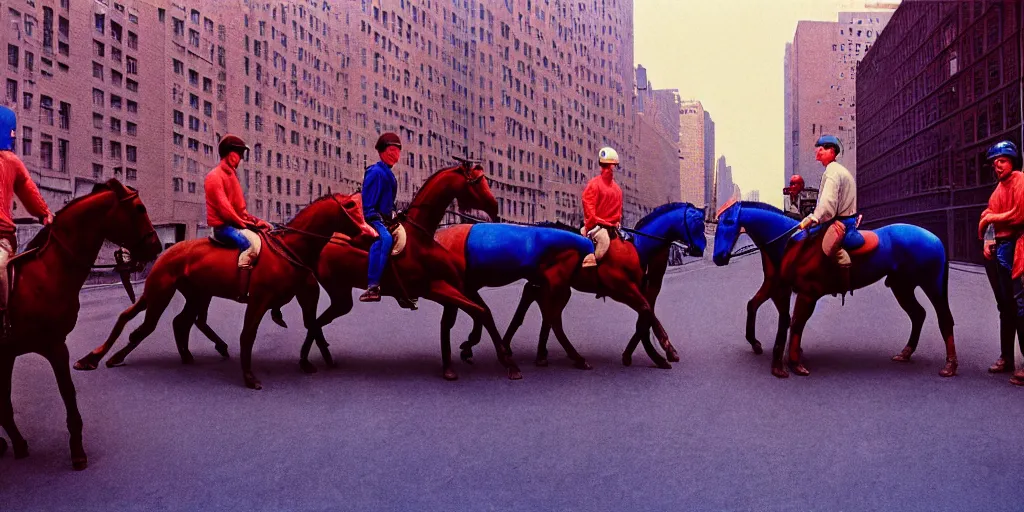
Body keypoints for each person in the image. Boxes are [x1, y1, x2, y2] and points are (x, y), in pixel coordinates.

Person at [0, 106, 53, 339]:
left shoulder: (11, 162)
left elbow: (28, 190)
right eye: (11, 131)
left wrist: (44, 214)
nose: (13, 135)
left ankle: (3, 319)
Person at [977, 140, 1024, 385]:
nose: (998, 167)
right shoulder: (998, 189)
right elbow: (987, 222)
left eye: (1002, 161)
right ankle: (1006, 357)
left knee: (1020, 305)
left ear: (1012, 161)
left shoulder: (1019, 181)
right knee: (1004, 306)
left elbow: (1019, 214)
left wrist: (991, 218)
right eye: (995, 164)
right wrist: (988, 238)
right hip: (1000, 248)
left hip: (1018, 246)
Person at [205, 134, 271, 303]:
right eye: (239, 153)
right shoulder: (214, 177)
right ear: (229, 153)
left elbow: (240, 209)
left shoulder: (231, 176)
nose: (241, 158)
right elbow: (225, 209)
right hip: (223, 227)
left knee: (267, 234)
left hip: (235, 223)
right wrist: (246, 224)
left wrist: (256, 221)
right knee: (248, 245)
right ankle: (242, 293)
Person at [797, 134, 858, 294]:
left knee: (827, 246)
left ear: (832, 151)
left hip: (842, 223)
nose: (817, 154)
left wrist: (813, 218)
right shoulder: (835, 170)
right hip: (840, 219)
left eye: (821, 150)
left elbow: (827, 203)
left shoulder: (833, 172)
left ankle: (841, 278)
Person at [359, 133, 401, 302]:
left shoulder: (388, 173)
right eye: (391, 150)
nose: (395, 154)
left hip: (386, 218)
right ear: (382, 151)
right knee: (384, 239)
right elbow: (367, 204)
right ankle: (373, 285)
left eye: (398, 151)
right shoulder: (375, 172)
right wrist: (379, 219)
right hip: (372, 218)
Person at [580, 147, 624, 267]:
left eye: (611, 165)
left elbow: (618, 210)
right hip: (596, 227)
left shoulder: (617, 189)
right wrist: (600, 222)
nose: (611, 168)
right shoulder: (594, 185)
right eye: (611, 165)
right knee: (604, 241)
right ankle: (590, 261)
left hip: (613, 226)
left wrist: (616, 222)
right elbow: (589, 208)